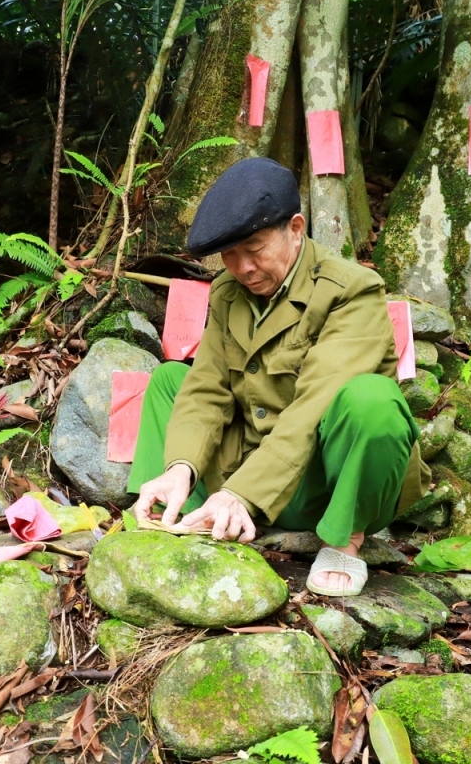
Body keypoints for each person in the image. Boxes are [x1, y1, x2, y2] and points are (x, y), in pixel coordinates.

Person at [128, 157, 421, 597]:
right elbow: (208, 389)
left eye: (256, 249)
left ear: (296, 228)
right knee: (171, 378)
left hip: (319, 487)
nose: (243, 267)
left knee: (373, 401)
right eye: (230, 255)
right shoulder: (230, 293)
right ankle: (169, 512)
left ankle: (345, 542)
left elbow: (312, 409)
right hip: (247, 469)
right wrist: (181, 467)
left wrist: (241, 493)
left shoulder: (352, 291)